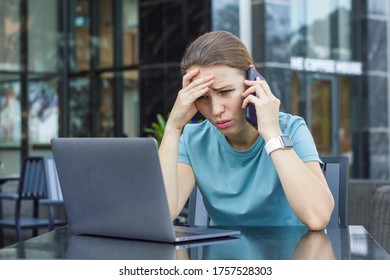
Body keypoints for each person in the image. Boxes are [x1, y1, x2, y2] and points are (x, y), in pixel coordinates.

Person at [158, 30, 334, 230]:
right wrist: (174, 127)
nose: (216, 110)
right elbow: (163, 214)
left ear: (253, 80)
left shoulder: (291, 129)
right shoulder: (194, 139)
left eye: (225, 92)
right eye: (203, 97)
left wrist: (271, 134)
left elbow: (318, 217)